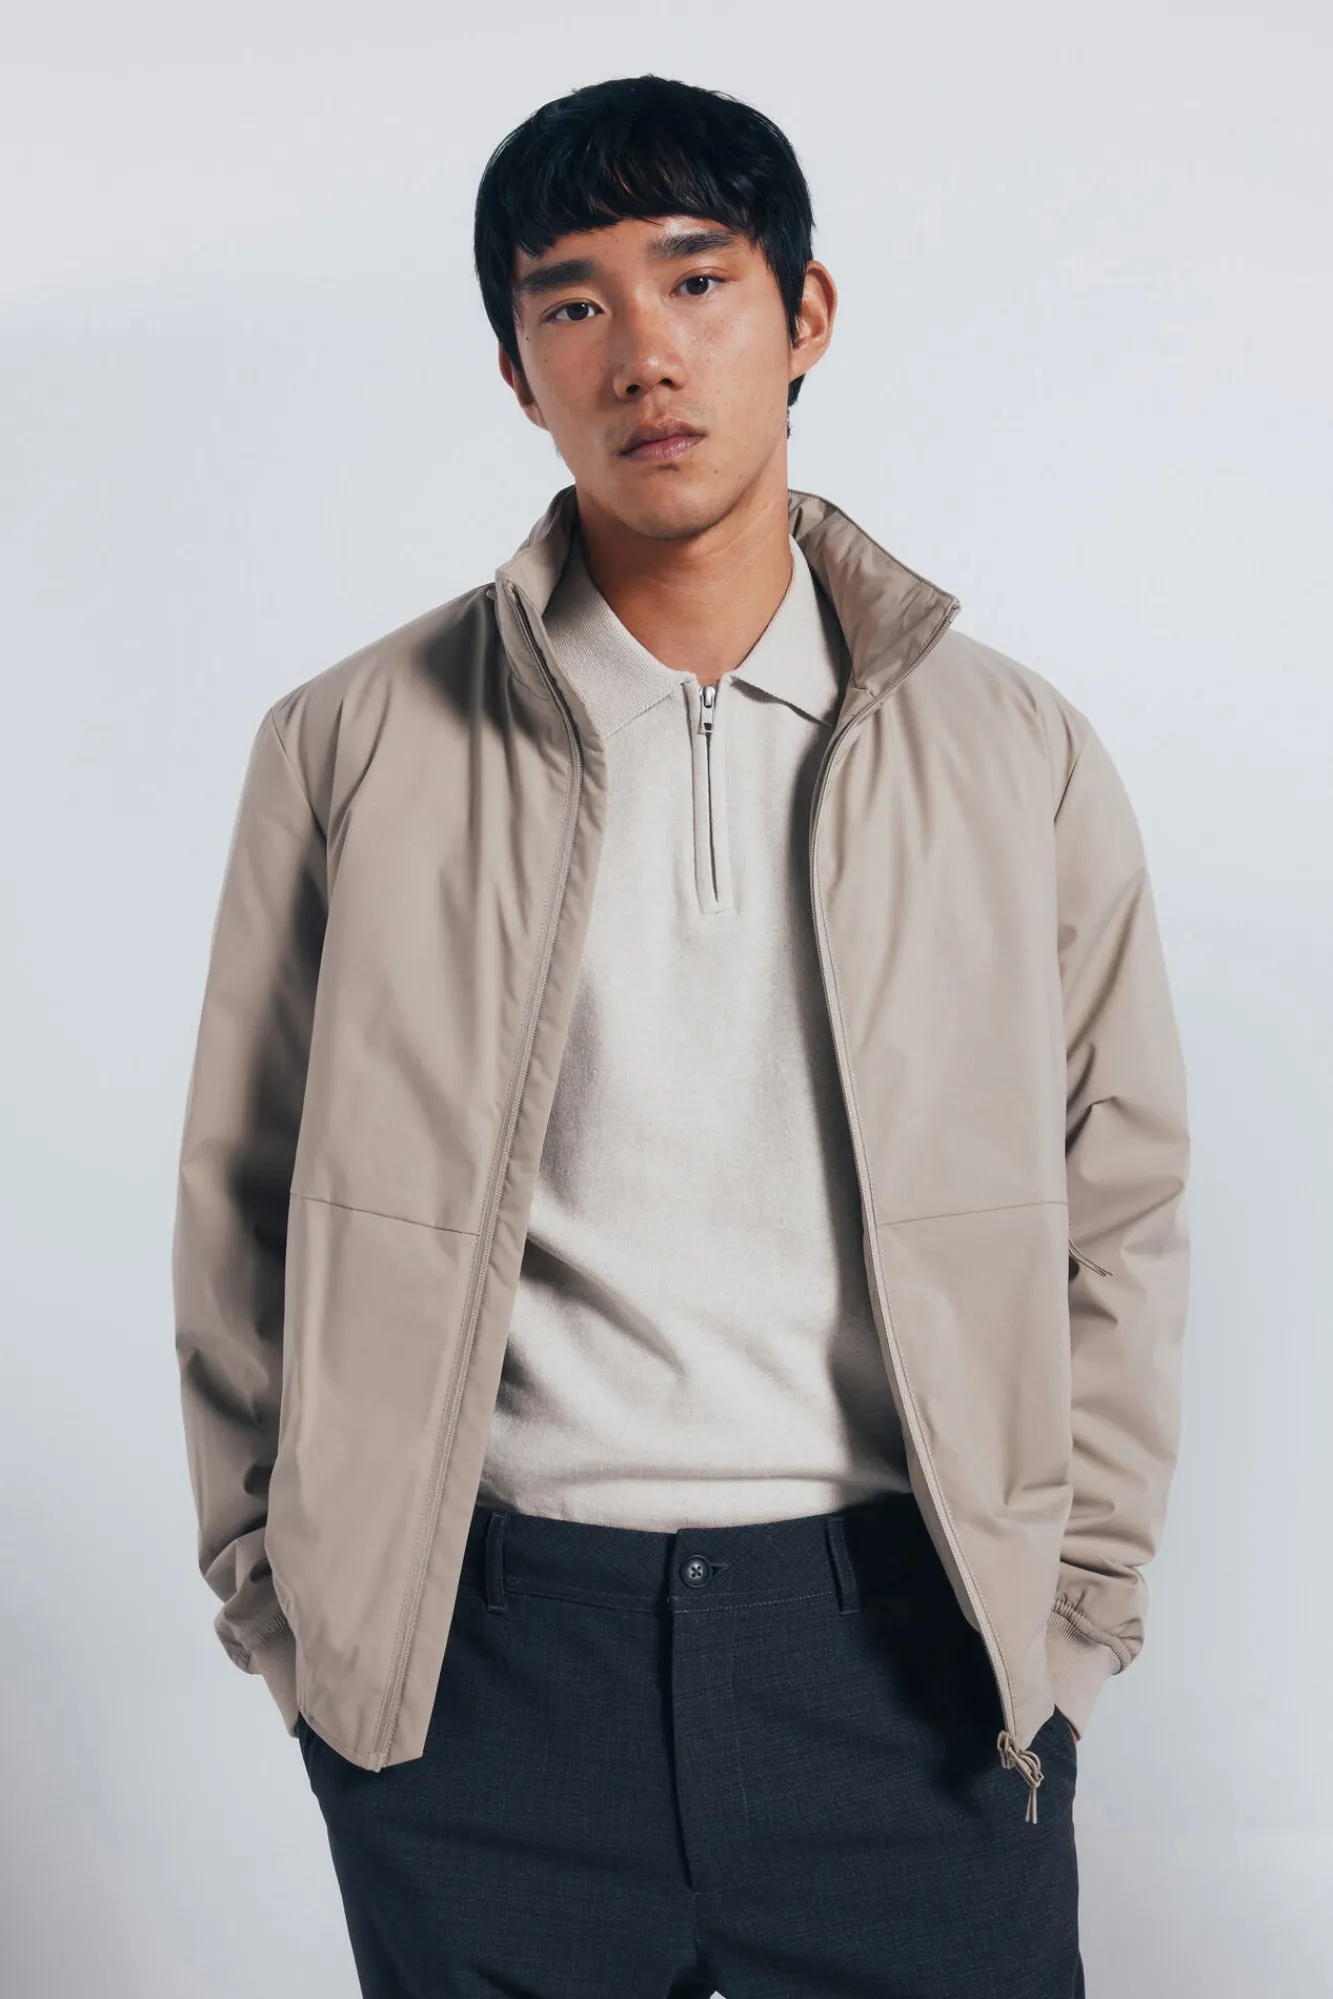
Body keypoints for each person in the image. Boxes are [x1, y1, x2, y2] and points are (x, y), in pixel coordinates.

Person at [172, 73, 1190, 1999]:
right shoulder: (351, 745)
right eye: (575, 302)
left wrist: (1071, 1616)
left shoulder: (1013, 751)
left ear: (805, 315)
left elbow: (1117, 1202)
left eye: (698, 280)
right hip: (484, 1659)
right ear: (516, 370)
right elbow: (240, 1203)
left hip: (910, 1649)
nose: (643, 352)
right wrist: (294, 1624)